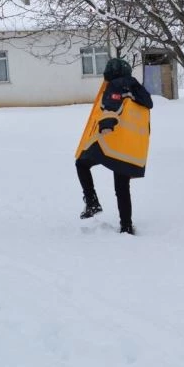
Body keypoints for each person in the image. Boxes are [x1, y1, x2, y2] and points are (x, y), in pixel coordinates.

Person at [74, 58, 153, 235]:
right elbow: (148, 103)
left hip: (109, 140)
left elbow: (111, 103)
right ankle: (126, 226)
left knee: (81, 163)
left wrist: (106, 124)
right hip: (128, 148)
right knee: (122, 187)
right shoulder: (137, 87)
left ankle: (92, 202)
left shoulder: (115, 84)